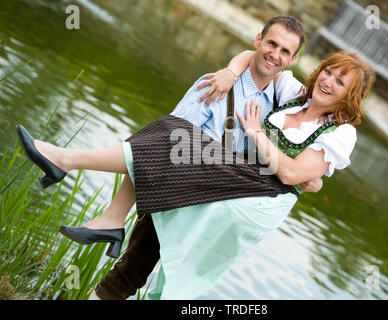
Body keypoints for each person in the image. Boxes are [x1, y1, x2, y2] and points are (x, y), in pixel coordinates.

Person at [17, 16, 326, 299]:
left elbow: (318, 120)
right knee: (130, 272)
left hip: (220, 208)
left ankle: (91, 193)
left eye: (285, 51)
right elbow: (165, 141)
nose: (275, 54)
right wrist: (231, 72)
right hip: (178, 191)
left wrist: (309, 176)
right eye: (271, 43)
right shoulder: (215, 84)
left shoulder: (284, 101)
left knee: (174, 290)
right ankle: (81, 179)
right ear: (258, 40)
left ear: (293, 59)